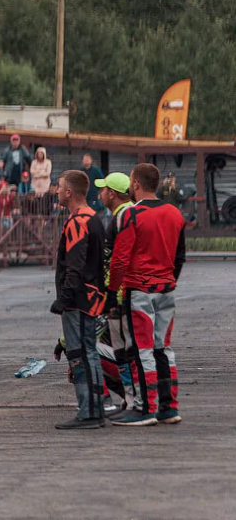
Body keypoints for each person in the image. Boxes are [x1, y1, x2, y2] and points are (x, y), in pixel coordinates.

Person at [110, 162, 185, 426]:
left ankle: (144, 408)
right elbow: (180, 256)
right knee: (163, 347)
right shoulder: (175, 213)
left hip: (139, 289)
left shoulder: (131, 215)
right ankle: (168, 407)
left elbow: (119, 260)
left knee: (141, 350)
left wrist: (111, 293)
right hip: (166, 288)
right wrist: (168, 280)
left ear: (136, 185)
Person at [50, 169, 108, 429]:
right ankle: (95, 409)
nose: (57, 190)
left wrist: (64, 298)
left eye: (60, 186)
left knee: (78, 354)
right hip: (92, 295)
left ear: (69, 192)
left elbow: (74, 264)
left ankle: (87, 411)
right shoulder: (94, 218)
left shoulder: (77, 221)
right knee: (89, 352)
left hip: (79, 298)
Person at [94, 171, 137, 417]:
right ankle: (131, 400)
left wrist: (108, 295)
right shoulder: (133, 212)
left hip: (121, 296)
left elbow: (115, 262)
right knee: (128, 352)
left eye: (102, 189)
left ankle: (133, 401)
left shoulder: (122, 218)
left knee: (126, 353)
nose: (99, 193)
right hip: (133, 293)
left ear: (111, 193)